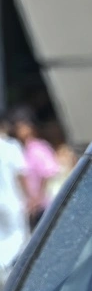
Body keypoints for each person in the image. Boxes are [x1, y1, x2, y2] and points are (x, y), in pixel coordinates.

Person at [10, 108, 59, 231]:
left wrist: (38, 197)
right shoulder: (21, 150)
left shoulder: (38, 147)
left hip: (45, 203)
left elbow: (47, 173)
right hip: (35, 205)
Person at [0, 115, 28, 281]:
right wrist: (28, 196)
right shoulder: (11, 146)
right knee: (20, 237)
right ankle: (12, 274)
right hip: (12, 199)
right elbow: (21, 175)